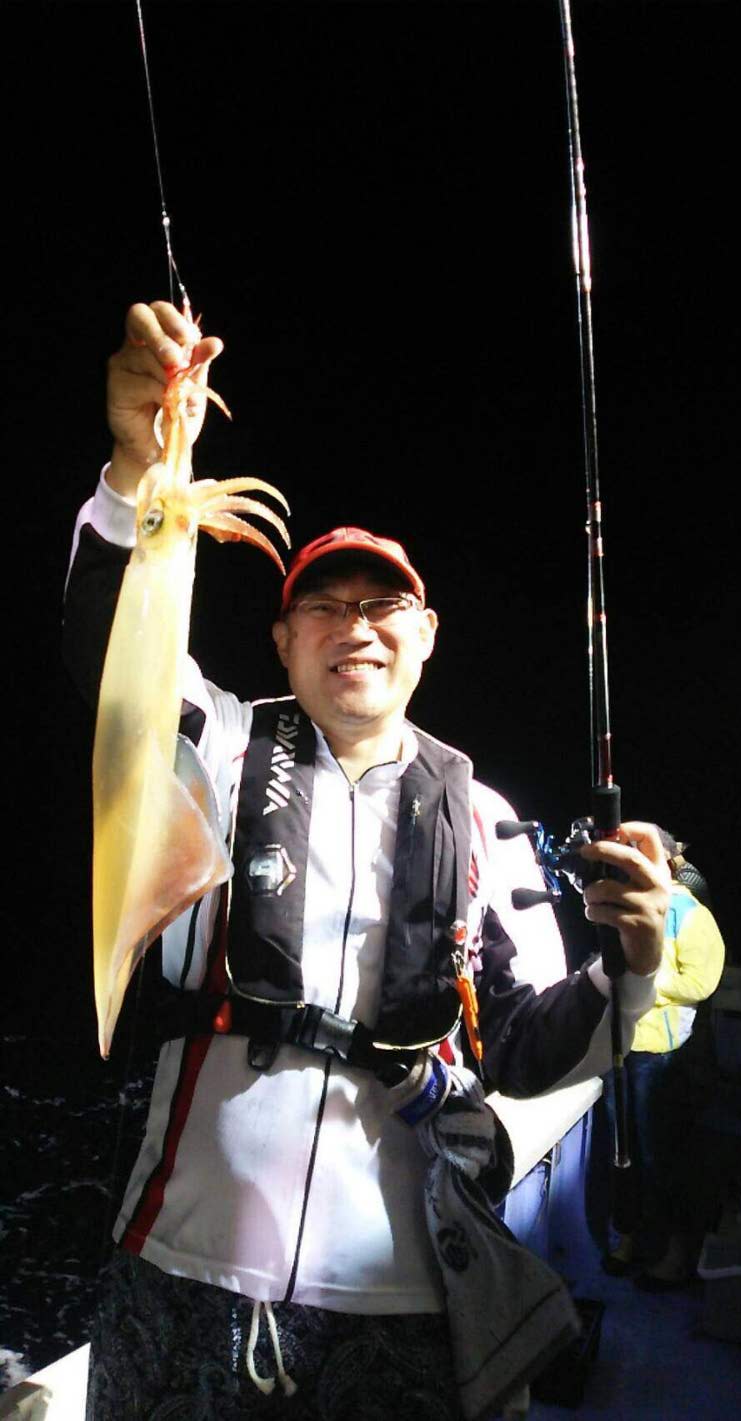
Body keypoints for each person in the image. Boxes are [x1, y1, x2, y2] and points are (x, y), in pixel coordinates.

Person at [63, 300, 671, 1421]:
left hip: (401, 1294)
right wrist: (138, 472)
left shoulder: (481, 819)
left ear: (425, 635)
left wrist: (629, 966)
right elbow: (112, 662)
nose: (354, 623)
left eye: (383, 603)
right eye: (321, 605)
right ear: (282, 640)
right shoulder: (214, 747)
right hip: (180, 1261)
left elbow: (526, 1045)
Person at [601, 829, 725, 1289]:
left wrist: (644, 980)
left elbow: (701, 983)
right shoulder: (619, 906)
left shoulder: (691, 914)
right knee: (621, 1155)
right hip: (616, 1050)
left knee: (661, 1159)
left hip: (662, 1059)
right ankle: (629, 1239)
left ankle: (673, 1256)